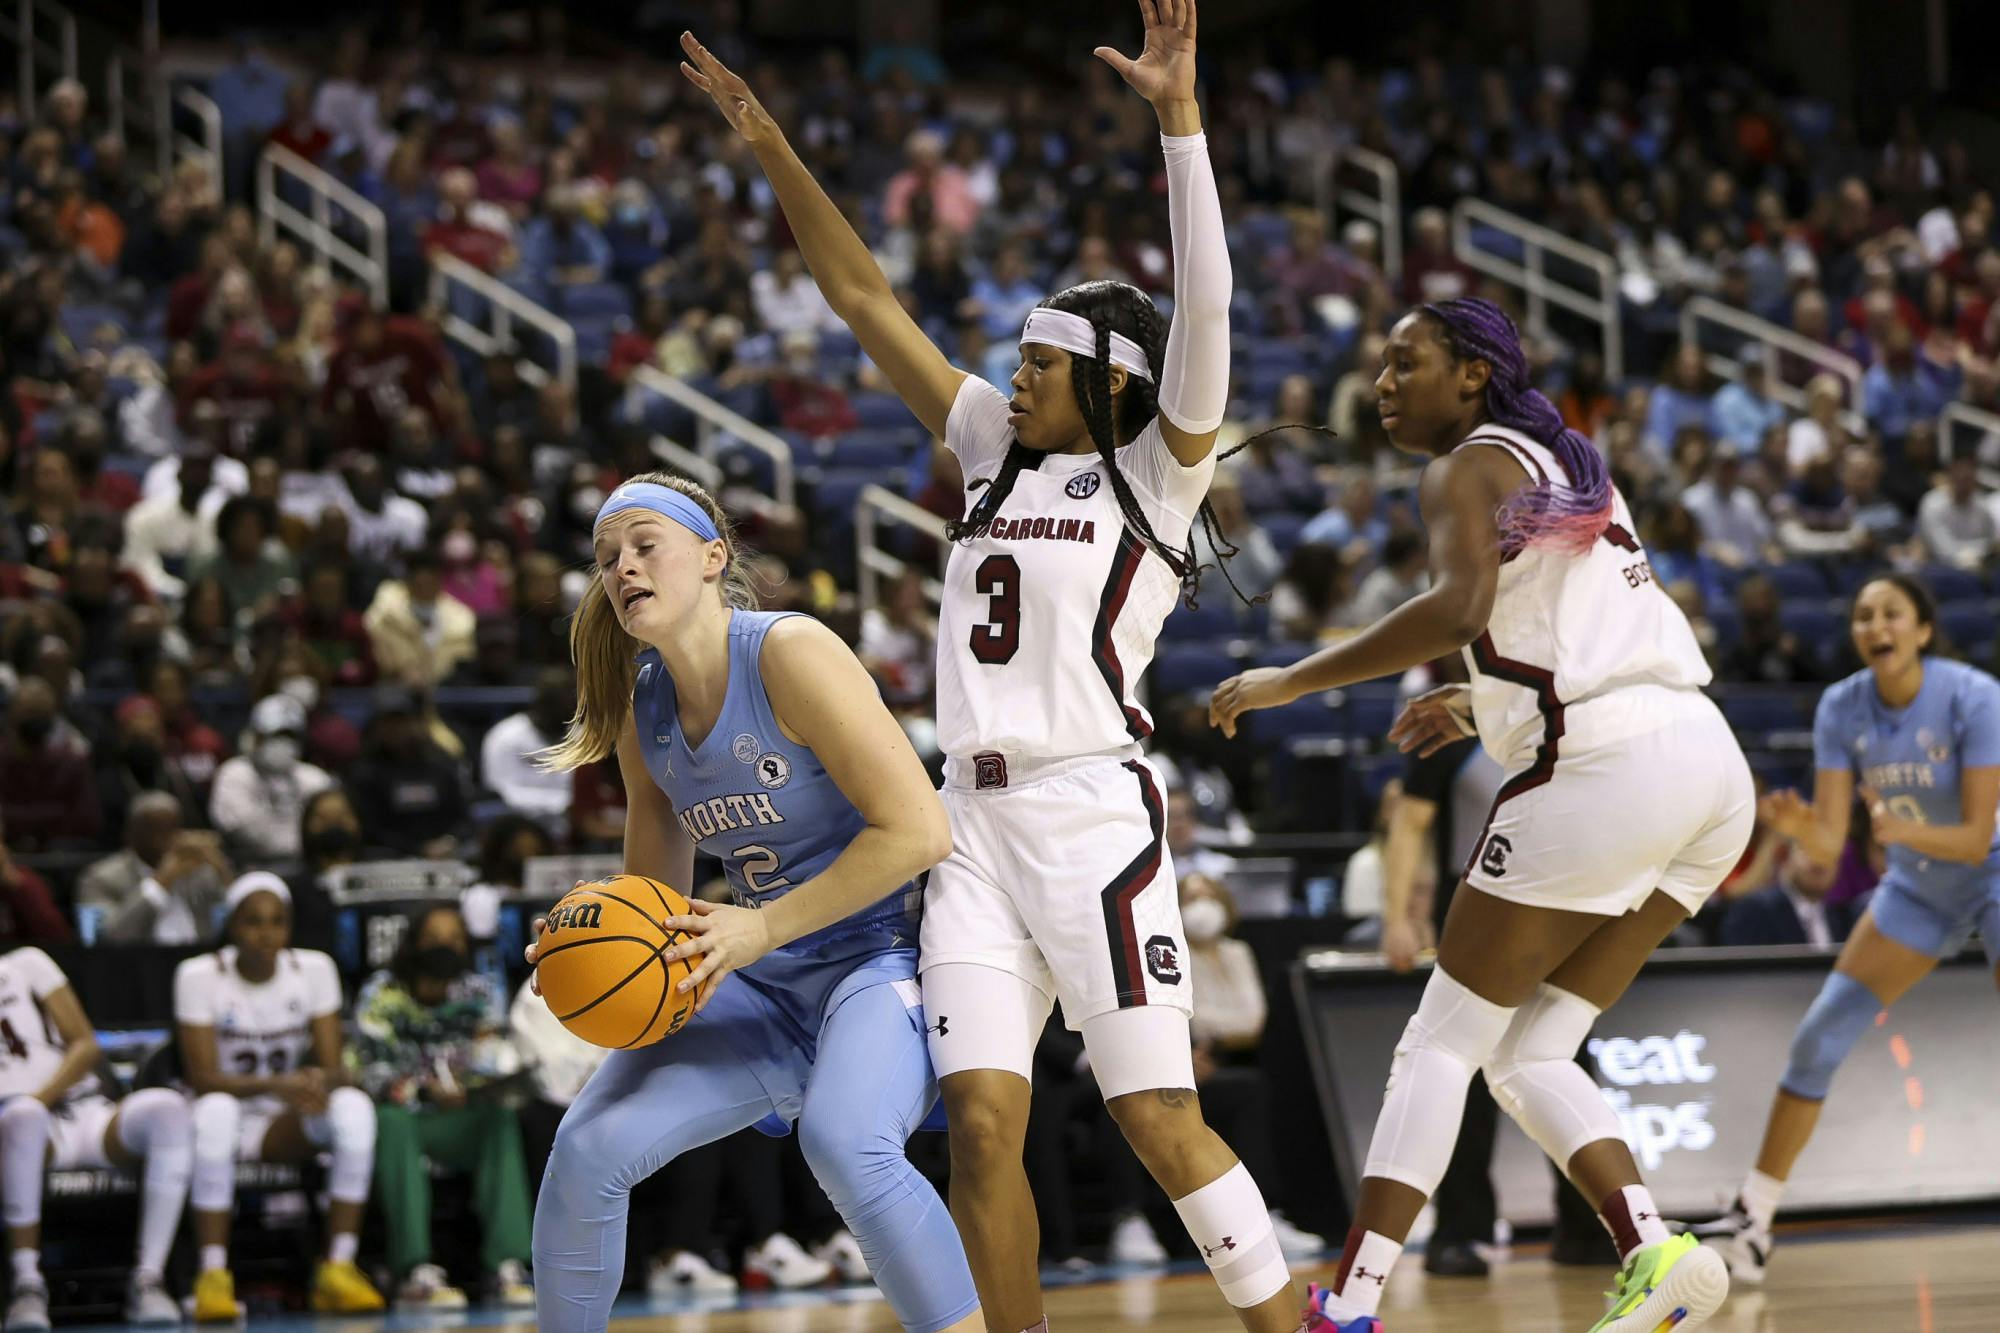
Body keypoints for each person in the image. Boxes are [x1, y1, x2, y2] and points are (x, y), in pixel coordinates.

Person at [682, 8, 1309, 1330]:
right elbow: (861, 295)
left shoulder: (1157, 471)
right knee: (974, 1123)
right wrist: (773, 145)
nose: (1011, 381)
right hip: (963, 826)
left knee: (1155, 1115)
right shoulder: (985, 447)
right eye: (1015, 364)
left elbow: (1211, 307)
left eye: (1038, 366)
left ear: (1111, 385)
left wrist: (1179, 125)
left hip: (1091, 814)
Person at [1211, 297, 1749, 1333]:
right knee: (1530, 1051)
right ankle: (1651, 1247)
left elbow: (1458, 608)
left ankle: (1349, 1309)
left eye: (1402, 361)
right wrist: (1481, 698)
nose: (1378, 383)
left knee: (1437, 1045)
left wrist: (1291, 679)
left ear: (1470, 374)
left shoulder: (1461, 467)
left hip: (1604, 765)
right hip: (1702, 764)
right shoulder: (1560, 458)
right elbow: (1571, 625)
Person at [526, 471, 978, 1333]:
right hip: (760, 978)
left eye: (643, 546)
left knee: (845, 1142)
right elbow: (653, 907)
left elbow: (919, 831)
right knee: (587, 1149)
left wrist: (760, 925)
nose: (621, 569)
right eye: (606, 557)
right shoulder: (640, 705)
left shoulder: (788, 651)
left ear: (711, 557)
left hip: (881, 961)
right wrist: (580, 943)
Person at [1697, 576, 1999, 1281]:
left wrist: (1903, 829)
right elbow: (1830, 846)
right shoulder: (1841, 705)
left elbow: (1981, 832)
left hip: (1992, 868)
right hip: (1919, 888)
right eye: (1863, 615)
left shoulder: (1975, 696)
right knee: (1818, 1036)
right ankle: (1754, 1222)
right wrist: (1802, 831)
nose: (1875, 624)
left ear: (1922, 630)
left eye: (1891, 612)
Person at [173, 872, 384, 1320]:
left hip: (279, 1122)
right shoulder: (198, 975)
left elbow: (332, 1069)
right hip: (221, 1116)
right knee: (215, 1110)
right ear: (232, 926)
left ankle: (338, 1267)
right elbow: (203, 1078)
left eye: (277, 922)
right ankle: (212, 1275)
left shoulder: (314, 969)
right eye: (253, 921)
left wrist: (314, 1083)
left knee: (354, 1108)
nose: (266, 934)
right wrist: (279, 1085)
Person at [350, 903, 534, 1309]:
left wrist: (470, 1087)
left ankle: (506, 1265)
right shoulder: (382, 993)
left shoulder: (478, 991)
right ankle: (413, 1271)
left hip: (459, 1114)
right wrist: (422, 1089)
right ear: (413, 943)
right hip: (407, 1118)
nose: (444, 947)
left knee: (499, 1119)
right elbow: (365, 1068)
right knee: (391, 1121)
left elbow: (493, 1056)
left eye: (454, 939)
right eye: (434, 938)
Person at [0, 948, 192, 1328]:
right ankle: (26, 1286)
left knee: (167, 1109)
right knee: (23, 1117)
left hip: (85, 1110)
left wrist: (43, 1097)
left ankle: (150, 1278)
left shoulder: (26, 963)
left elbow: (86, 1045)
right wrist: (32, 1106)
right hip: (17, 1129)